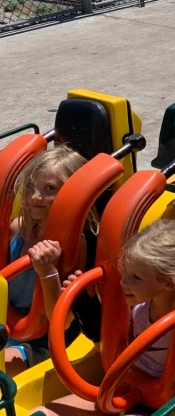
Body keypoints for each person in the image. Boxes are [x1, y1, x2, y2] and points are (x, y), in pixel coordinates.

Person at [33, 220, 175, 416]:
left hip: (154, 412)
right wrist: (86, 303)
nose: (123, 281)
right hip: (120, 394)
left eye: (135, 277)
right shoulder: (138, 307)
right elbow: (110, 348)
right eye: (124, 271)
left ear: (168, 284)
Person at [4, 146, 88, 376]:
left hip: (37, 342)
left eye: (49, 189)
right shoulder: (17, 228)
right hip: (6, 324)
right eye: (31, 187)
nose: (34, 197)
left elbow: (62, 320)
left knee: (4, 363)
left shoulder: (74, 246)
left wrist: (48, 271)